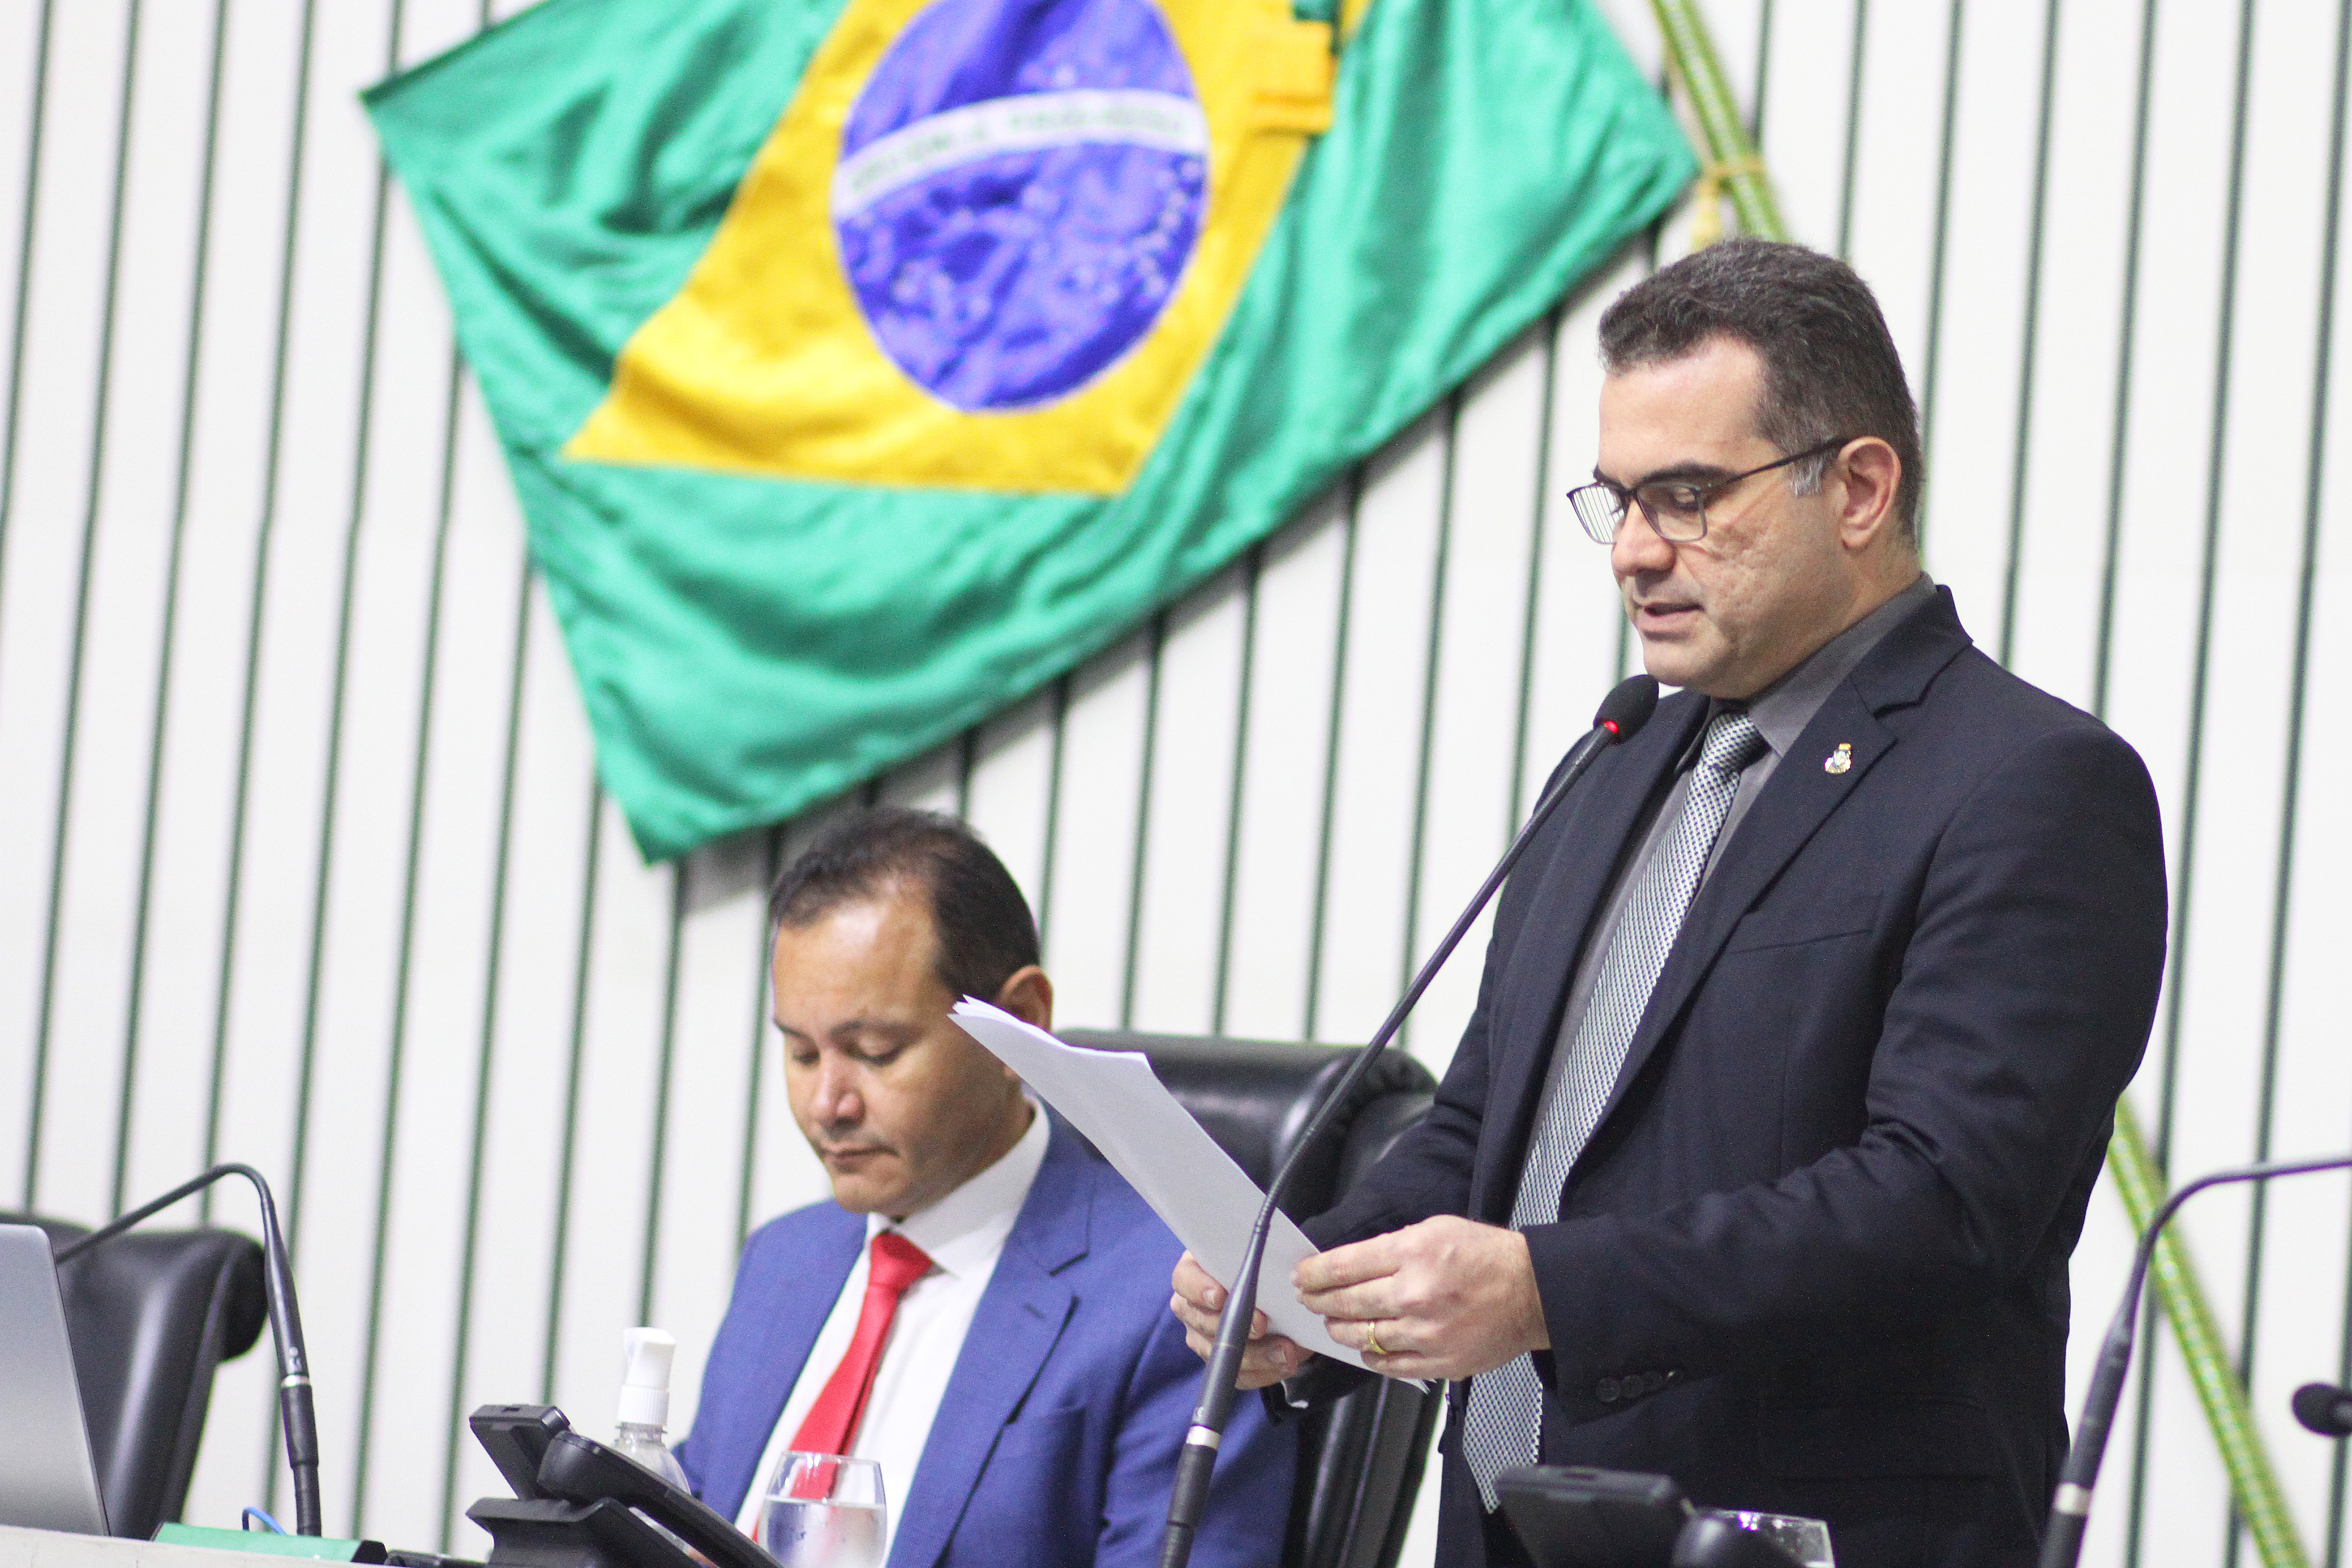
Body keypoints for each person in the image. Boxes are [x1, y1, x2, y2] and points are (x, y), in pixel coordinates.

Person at [1171, 238, 2168, 1568]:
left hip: (1803, 1531)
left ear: (1860, 487)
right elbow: (1491, 1129)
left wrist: (1546, 1294)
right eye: (1619, 500)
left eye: (1689, 497)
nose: (1636, 552)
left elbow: (1939, 1204)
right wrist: (1314, 1278)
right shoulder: (1622, 749)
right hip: (1508, 1526)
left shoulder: (2027, 782)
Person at [680, 807, 1293, 1568]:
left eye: (876, 1051)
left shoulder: (1176, 1303)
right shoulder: (784, 1263)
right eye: (802, 1053)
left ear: (1019, 1024)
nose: (827, 1105)